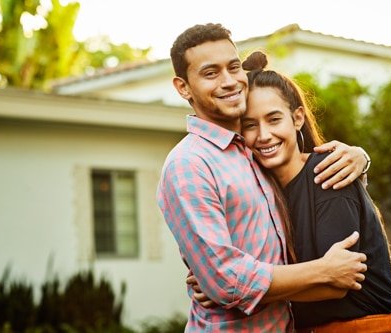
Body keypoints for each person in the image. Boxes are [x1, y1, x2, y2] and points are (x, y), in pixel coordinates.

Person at [157, 23, 370, 332]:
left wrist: (361, 159)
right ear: (183, 87)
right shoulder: (189, 164)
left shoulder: (254, 153)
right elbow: (226, 281)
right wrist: (323, 271)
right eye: (210, 73)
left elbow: (308, 202)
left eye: (233, 67)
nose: (228, 82)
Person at [239, 50, 391, 332]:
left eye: (274, 119)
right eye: (250, 125)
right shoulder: (261, 192)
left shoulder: (326, 173)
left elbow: (335, 283)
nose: (263, 135)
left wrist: (234, 289)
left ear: (298, 118)